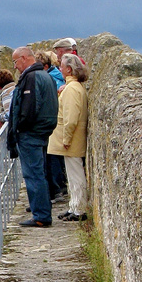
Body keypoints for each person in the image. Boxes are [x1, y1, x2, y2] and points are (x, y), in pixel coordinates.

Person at [7, 45, 59, 227]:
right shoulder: (47, 76)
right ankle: (41, 212)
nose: (15, 66)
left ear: (24, 58)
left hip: (31, 134)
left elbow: (29, 108)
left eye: (15, 61)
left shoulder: (31, 77)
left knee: (33, 174)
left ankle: (41, 216)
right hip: (43, 131)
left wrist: (19, 128)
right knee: (40, 172)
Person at [48, 54, 89, 222]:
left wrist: (66, 138)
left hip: (72, 141)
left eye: (62, 67)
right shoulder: (72, 87)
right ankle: (74, 206)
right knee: (72, 175)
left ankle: (79, 209)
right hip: (72, 140)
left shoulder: (72, 89)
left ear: (69, 69)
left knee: (75, 174)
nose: (59, 69)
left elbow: (71, 117)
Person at [36, 50, 68, 202]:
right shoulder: (55, 77)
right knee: (52, 158)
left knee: (53, 158)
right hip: (54, 123)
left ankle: (57, 189)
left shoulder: (52, 79)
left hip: (53, 124)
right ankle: (57, 189)